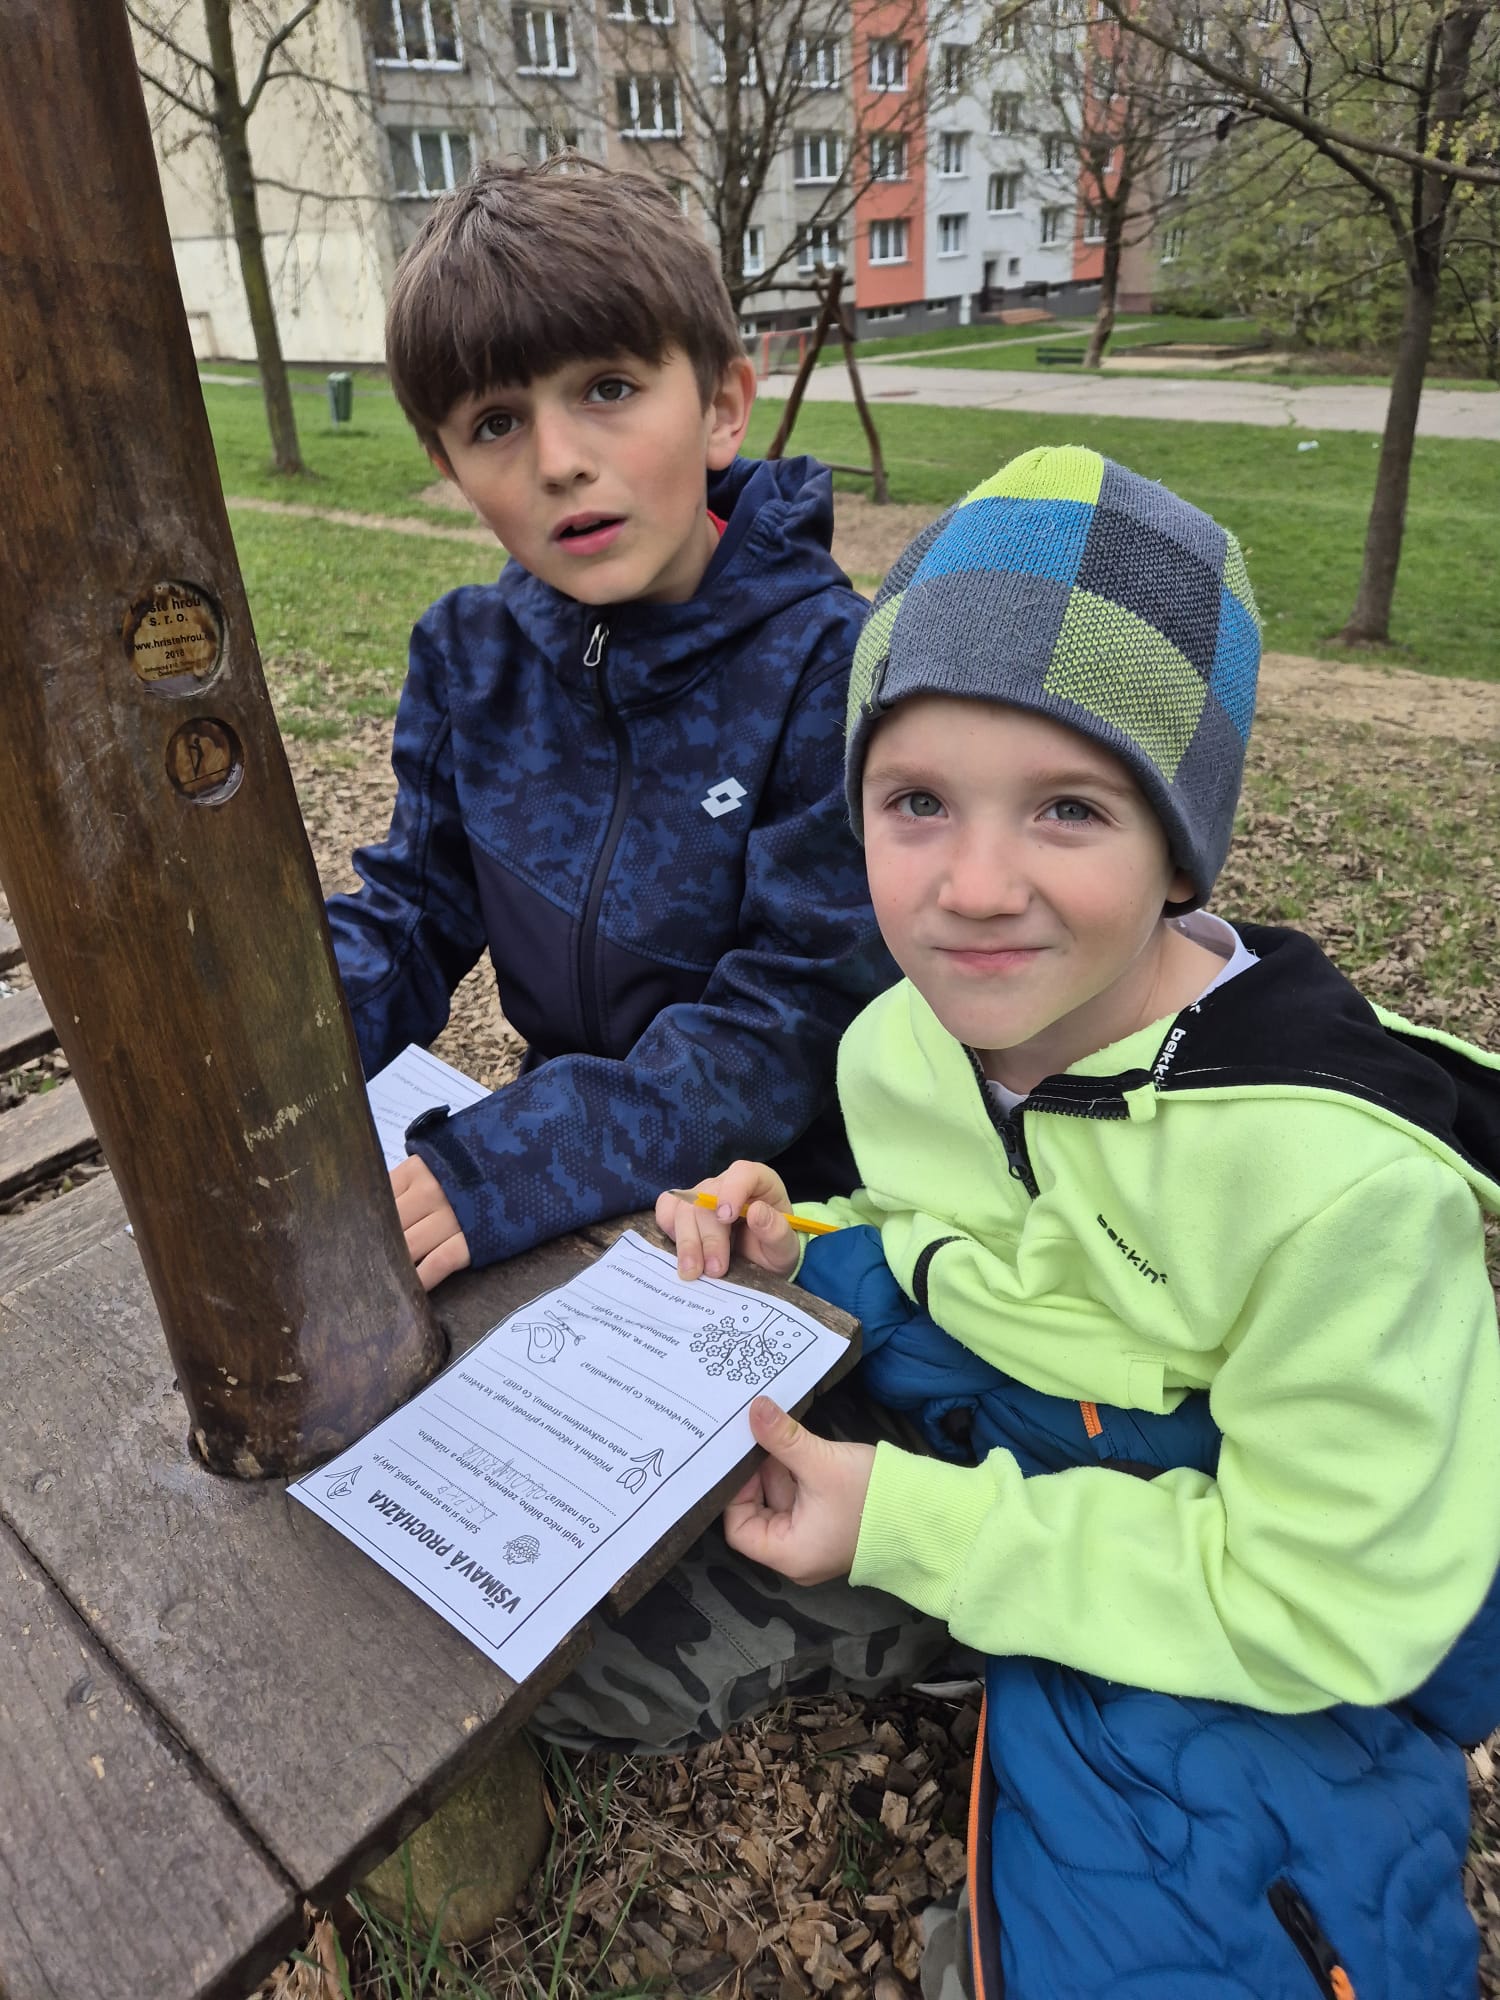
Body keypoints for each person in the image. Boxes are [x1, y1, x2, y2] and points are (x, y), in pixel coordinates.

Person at [645, 445, 1500, 1997]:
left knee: (1208, 1933)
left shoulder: (1343, 1190)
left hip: (1270, 1578)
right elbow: (951, 1219)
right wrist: (805, 1238)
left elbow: (1329, 1605)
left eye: (1067, 808)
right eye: (917, 801)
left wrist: (915, 1527)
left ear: (1179, 845)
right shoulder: (901, 1038)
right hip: (1022, 1430)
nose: (975, 887)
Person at [324, 159, 895, 1287]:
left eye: (609, 388)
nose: (559, 461)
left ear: (721, 406)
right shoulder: (470, 658)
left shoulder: (830, 669)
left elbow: (791, 1017)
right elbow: (411, 918)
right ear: (448, 465)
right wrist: (263, 1061)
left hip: (784, 1220)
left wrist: (517, 1160)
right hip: (575, 1212)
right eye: (496, 422)